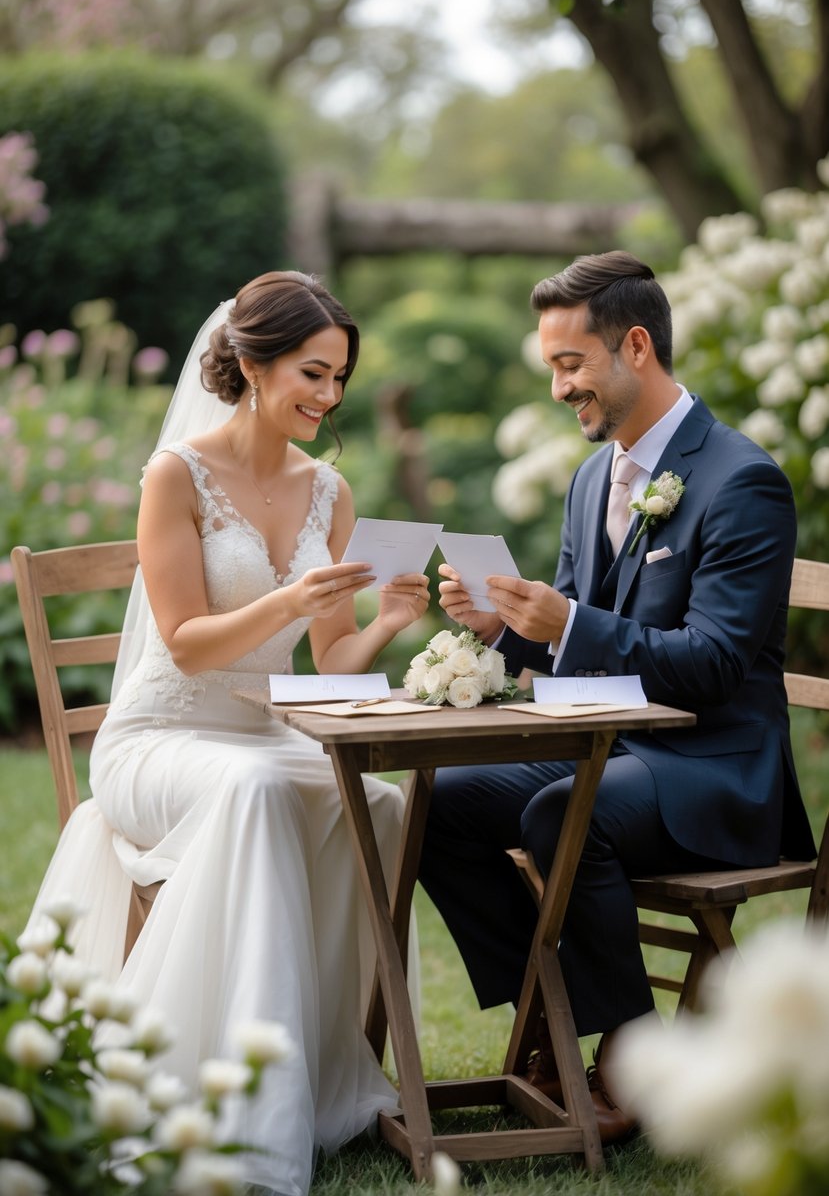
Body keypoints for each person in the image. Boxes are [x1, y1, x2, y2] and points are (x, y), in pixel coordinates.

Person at [26, 270, 430, 1196]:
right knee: (251, 792)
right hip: (159, 737)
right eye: (312, 374)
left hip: (264, 733)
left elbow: (329, 662)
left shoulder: (329, 489)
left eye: (338, 381)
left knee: (379, 799)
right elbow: (188, 645)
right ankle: (219, 1104)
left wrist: (387, 621)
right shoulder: (178, 475)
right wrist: (288, 597)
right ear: (251, 364)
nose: (328, 399)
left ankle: (327, 1077)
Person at [418, 251, 816, 1144]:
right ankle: (554, 1027)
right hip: (611, 750)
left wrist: (566, 622)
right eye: (551, 366)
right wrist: (504, 630)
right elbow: (575, 650)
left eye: (570, 364)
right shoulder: (590, 480)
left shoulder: (740, 480)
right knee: (439, 802)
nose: (560, 387)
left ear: (634, 345)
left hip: (713, 767)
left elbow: (712, 664)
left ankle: (630, 1058)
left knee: (564, 813)